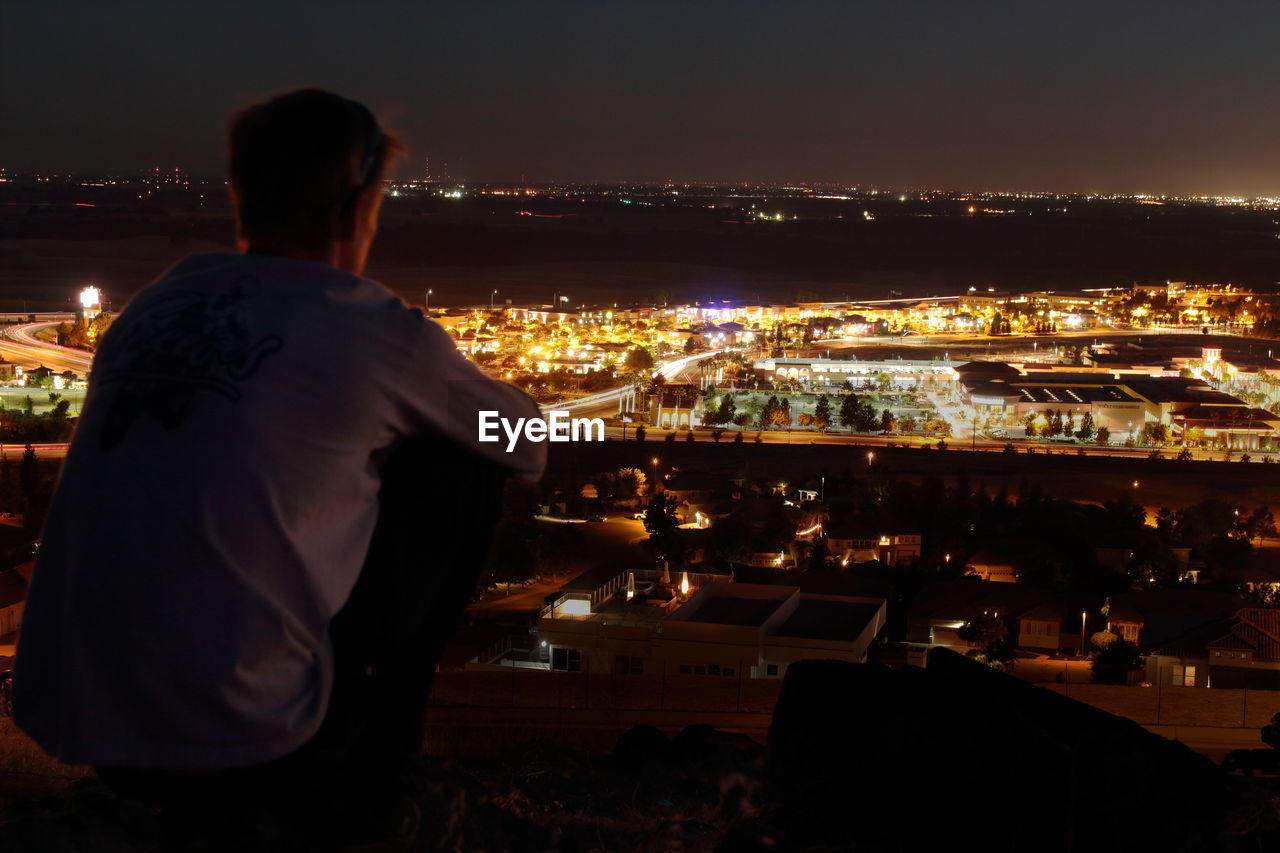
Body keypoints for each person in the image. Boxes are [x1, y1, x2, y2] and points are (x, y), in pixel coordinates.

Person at [13, 90, 545, 847]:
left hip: (76, 720)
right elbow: (521, 441)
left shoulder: (155, 305)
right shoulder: (372, 325)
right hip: (249, 743)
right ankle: (377, 773)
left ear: (241, 194)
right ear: (355, 207)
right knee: (459, 460)